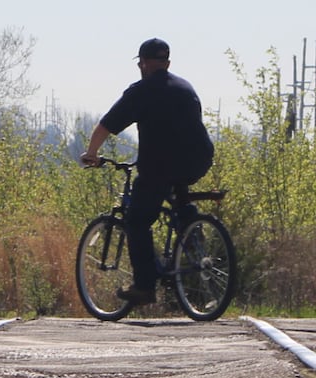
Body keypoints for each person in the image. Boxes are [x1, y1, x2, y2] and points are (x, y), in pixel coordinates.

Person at [80, 38, 215, 305]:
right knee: (178, 195)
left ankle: (144, 286)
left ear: (142, 64)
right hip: (199, 160)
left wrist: (92, 154)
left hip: (161, 165)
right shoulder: (185, 87)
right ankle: (191, 232)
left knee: (138, 221)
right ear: (168, 63)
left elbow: (105, 126)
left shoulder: (141, 91)